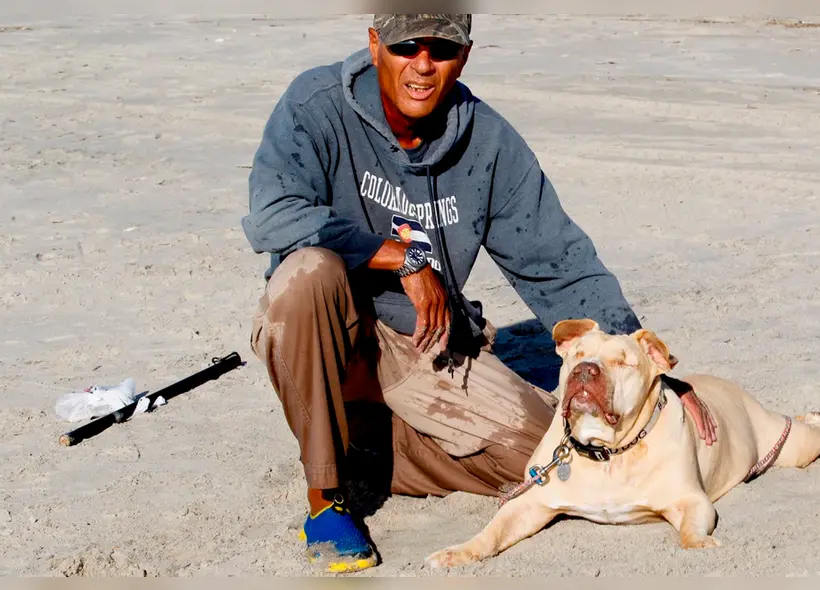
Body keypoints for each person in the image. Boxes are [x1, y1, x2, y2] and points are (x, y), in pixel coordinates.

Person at [241, 13, 716, 573]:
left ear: (465, 54)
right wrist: (406, 259)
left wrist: (643, 366)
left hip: (425, 341)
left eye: (441, 48)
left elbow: (558, 263)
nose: (422, 64)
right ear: (375, 45)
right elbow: (274, 217)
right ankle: (326, 500)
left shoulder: (487, 141)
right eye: (405, 46)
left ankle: (370, 447)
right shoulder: (315, 105)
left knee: (548, 463)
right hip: (332, 330)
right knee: (304, 275)